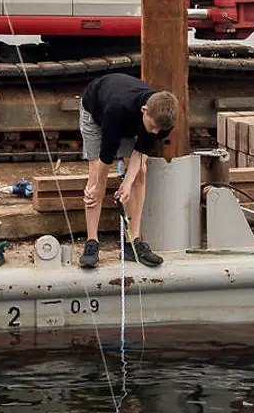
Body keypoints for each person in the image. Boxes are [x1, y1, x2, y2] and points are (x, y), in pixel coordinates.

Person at [77, 73, 179, 269]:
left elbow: (141, 150)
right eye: (153, 127)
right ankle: (92, 242)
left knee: (140, 171)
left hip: (130, 122)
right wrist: (99, 188)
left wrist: (127, 184)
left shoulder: (161, 121)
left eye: (160, 130)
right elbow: (106, 156)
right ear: (144, 110)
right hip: (96, 111)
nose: (156, 133)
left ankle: (132, 243)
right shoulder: (116, 109)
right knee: (96, 170)